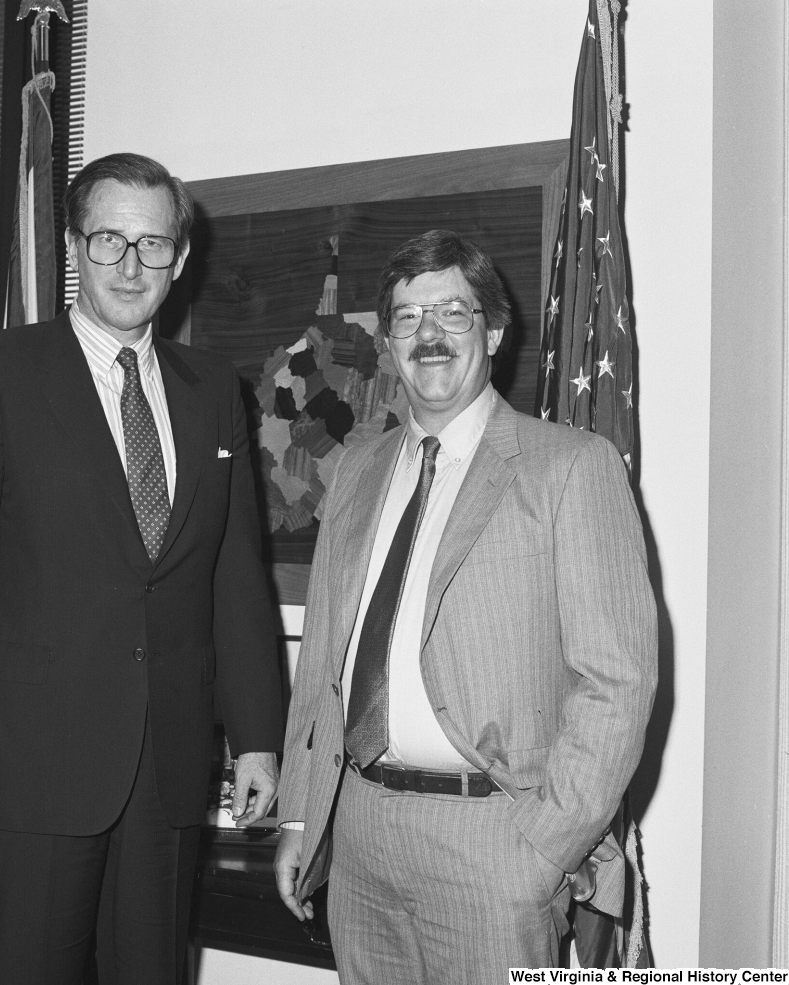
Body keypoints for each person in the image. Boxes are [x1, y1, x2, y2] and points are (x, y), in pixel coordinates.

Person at [0, 152, 284, 985]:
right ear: (75, 247)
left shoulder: (214, 387)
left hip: (171, 767)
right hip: (32, 770)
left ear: (179, 260)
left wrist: (258, 738)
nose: (130, 264)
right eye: (109, 240)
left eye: (152, 245)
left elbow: (235, 575)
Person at [274, 230, 657, 982]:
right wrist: (300, 815)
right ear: (386, 344)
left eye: (453, 312)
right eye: (409, 319)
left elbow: (619, 681)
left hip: (495, 838)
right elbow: (323, 657)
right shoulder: (355, 468)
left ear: (493, 329)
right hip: (360, 832)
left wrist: (545, 846)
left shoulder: (571, 467)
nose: (430, 335)